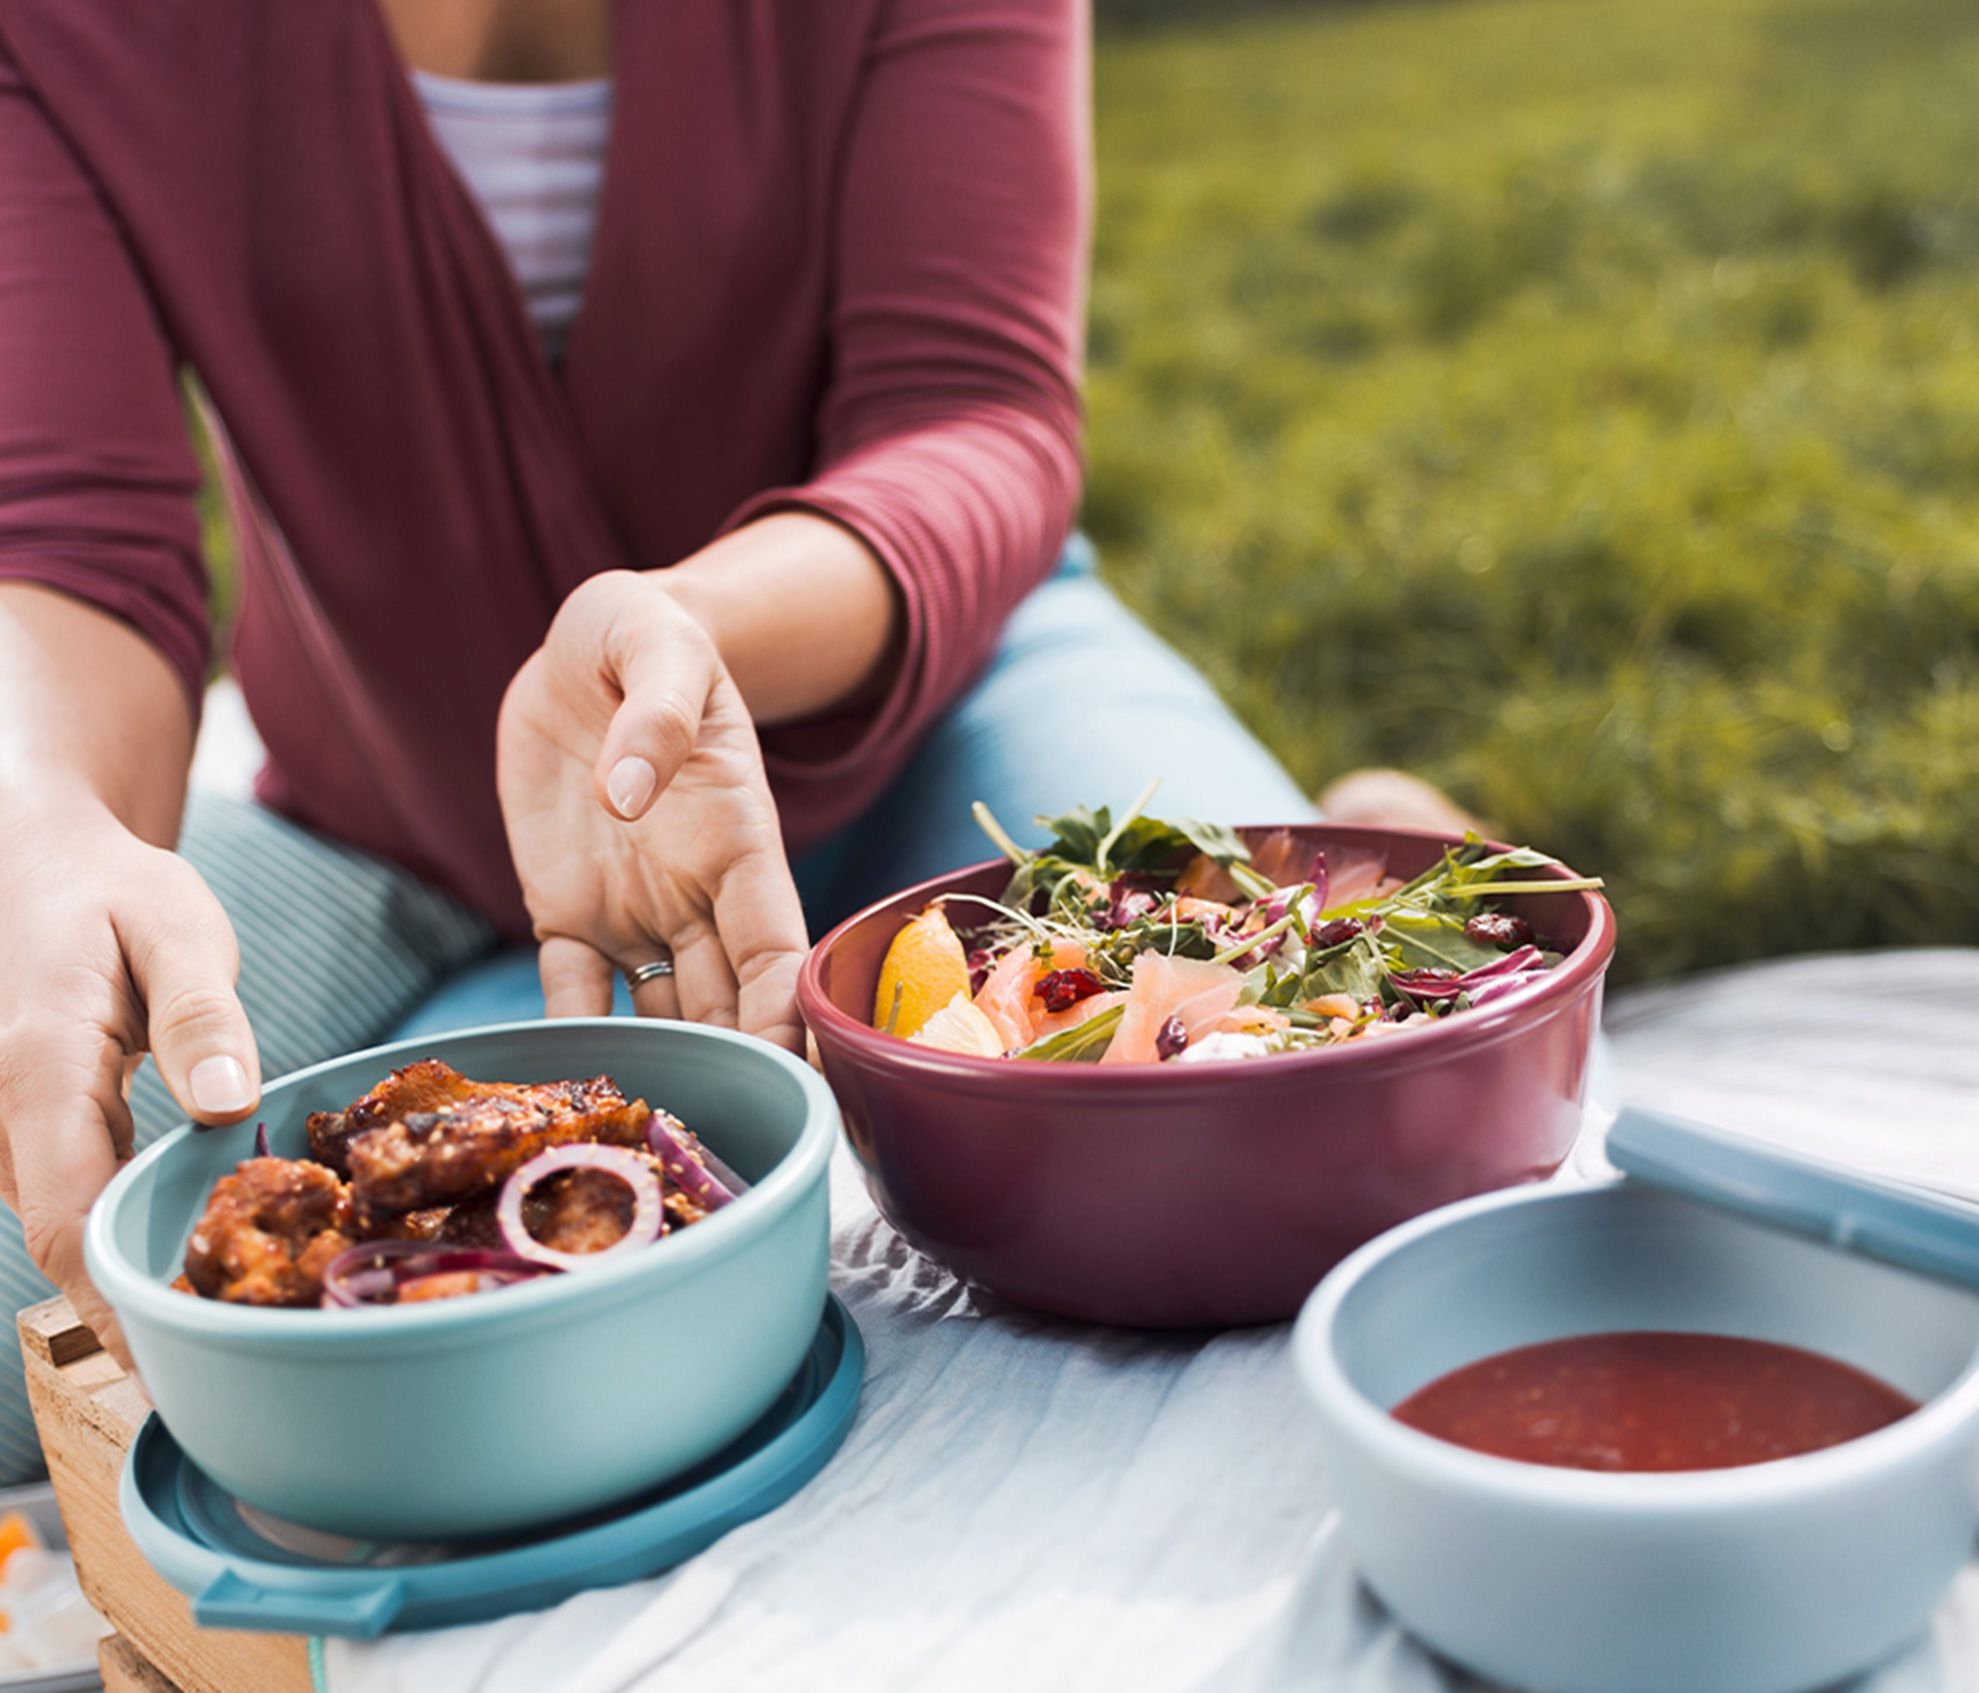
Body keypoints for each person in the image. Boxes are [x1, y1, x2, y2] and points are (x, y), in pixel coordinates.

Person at [0, 0, 1445, 1482]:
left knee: (1267, 1109)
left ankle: (1375, 819)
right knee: (36, 1266)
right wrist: (43, 825)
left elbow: (975, 411)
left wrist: (683, 628)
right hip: (392, 816)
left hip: (935, 680)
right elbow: (67, 532)